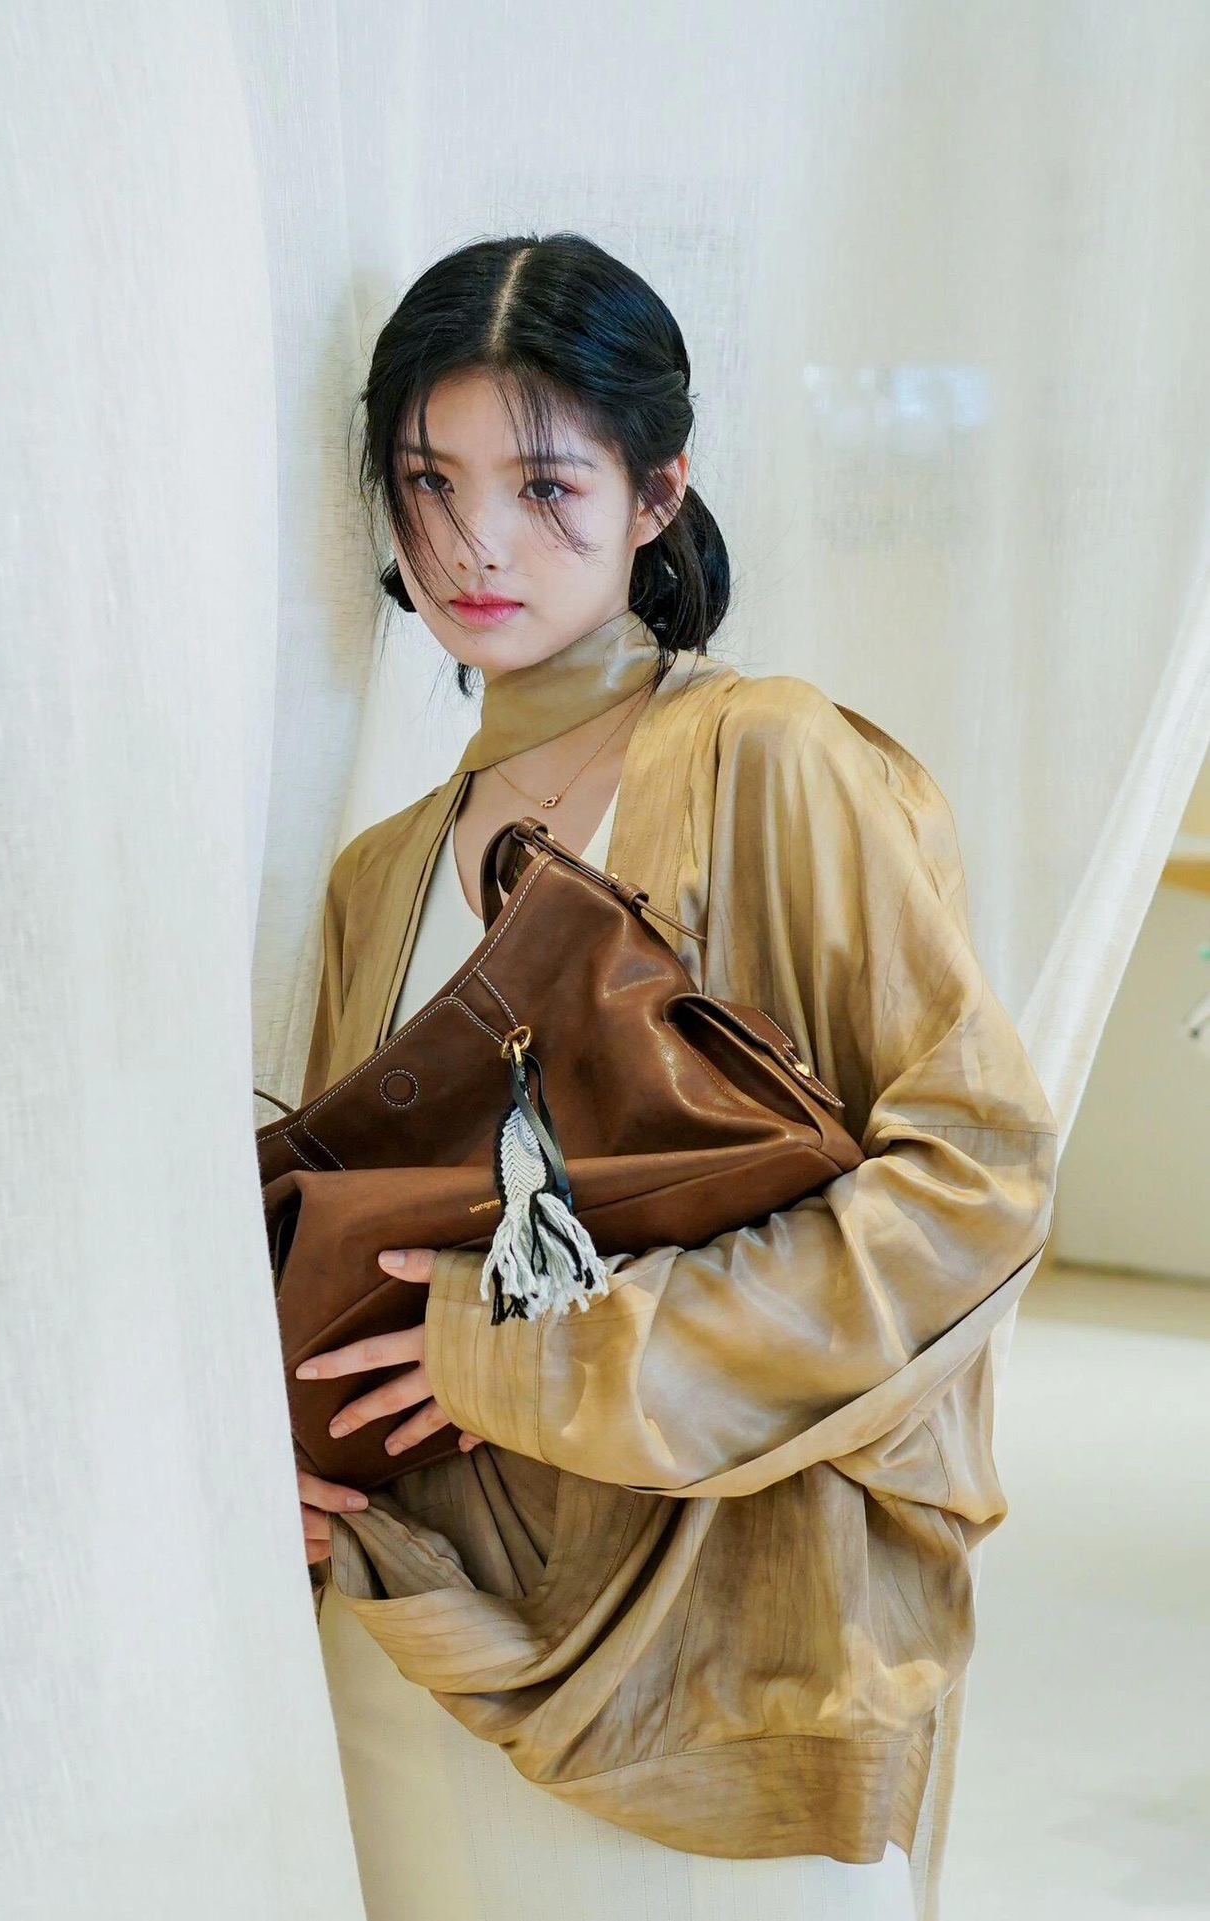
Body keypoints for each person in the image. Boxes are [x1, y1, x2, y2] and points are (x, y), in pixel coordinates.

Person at [289, 233, 1058, 1921]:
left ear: (657, 495)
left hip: (716, 1645)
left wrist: (549, 1360)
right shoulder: (377, 874)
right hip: (413, 1625)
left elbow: (973, 1181)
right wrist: (279, 1448)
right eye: (426, 481)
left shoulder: (765, 757)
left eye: (544, 485)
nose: (473, 542)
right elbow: (340, 1235)